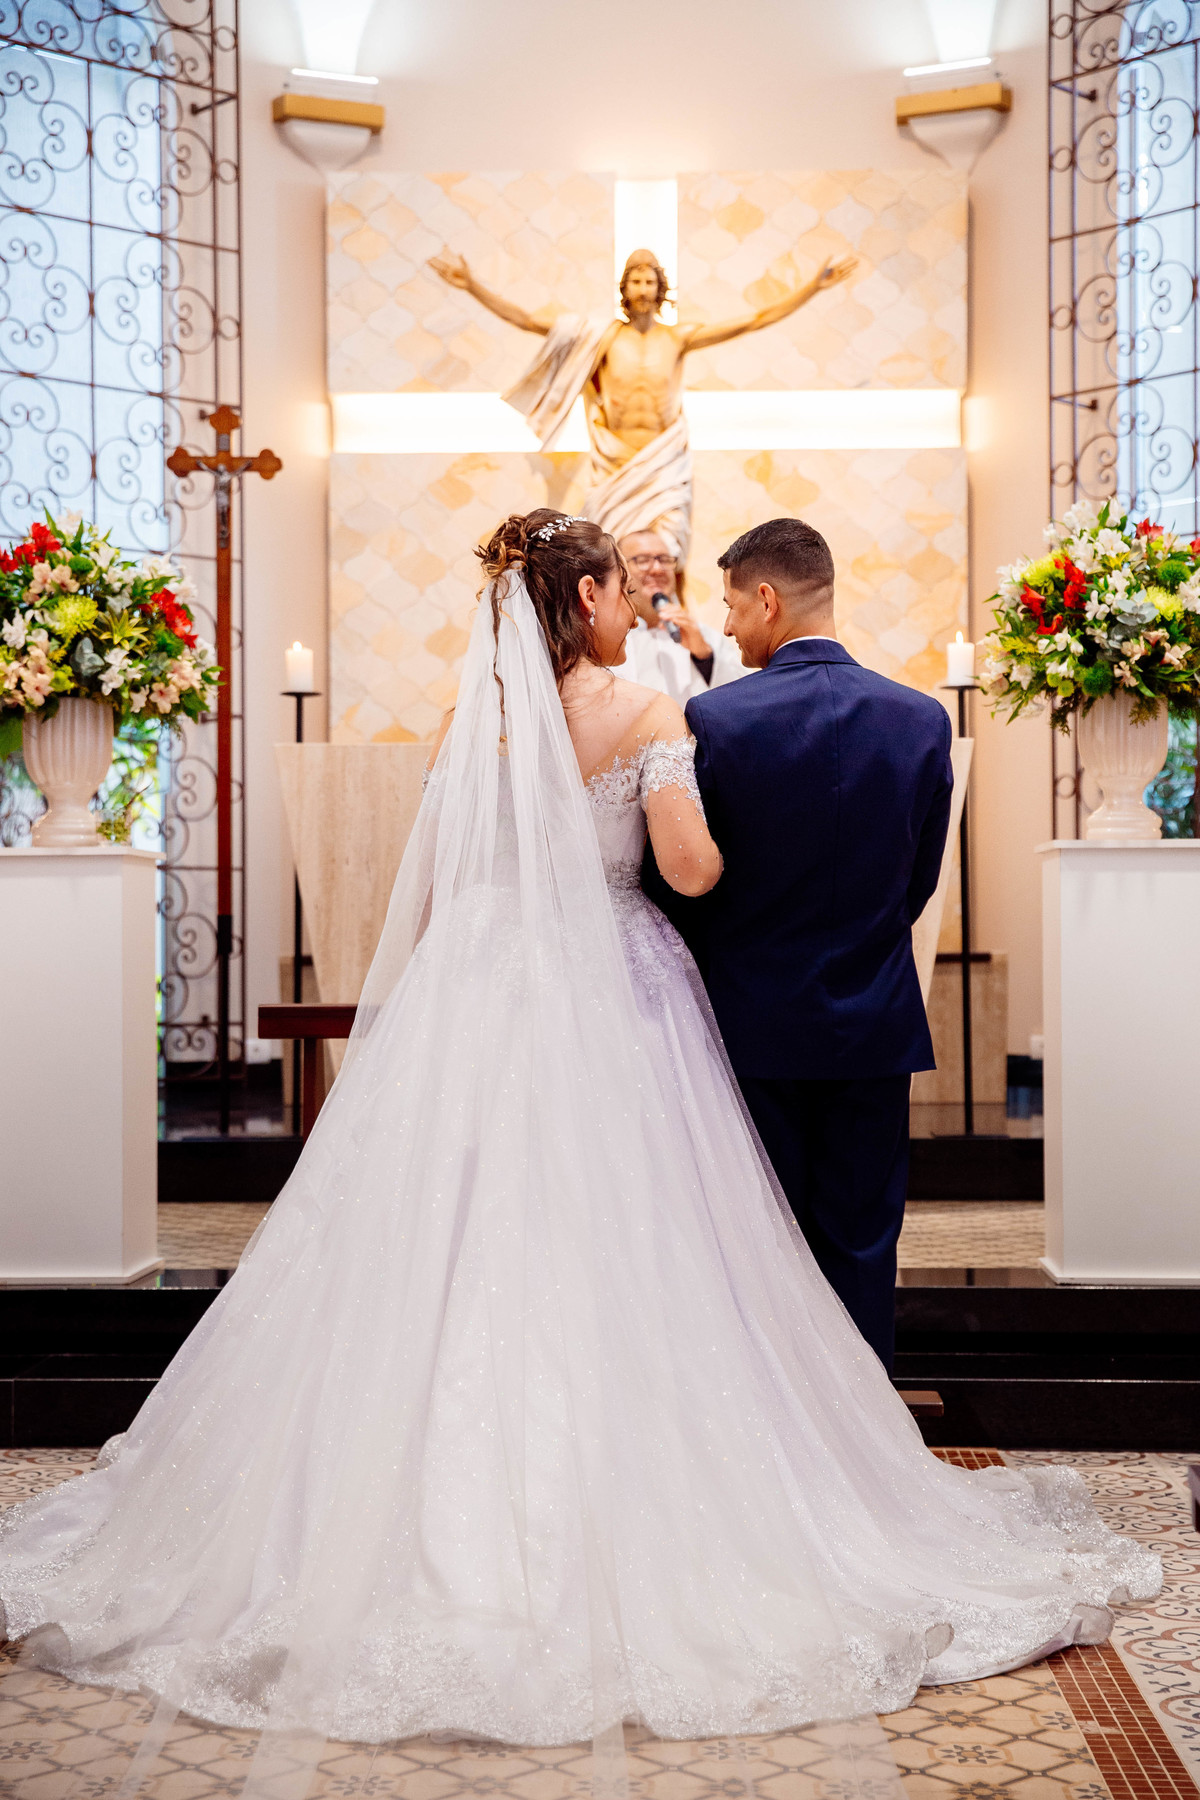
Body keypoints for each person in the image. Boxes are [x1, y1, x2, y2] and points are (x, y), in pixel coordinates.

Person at [0, 512, 1158, 1784]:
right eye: (620, 588)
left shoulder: (473, 720)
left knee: (452, 1233)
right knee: (645, 1234)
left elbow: (438, 883)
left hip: (472, 990)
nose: (635, 605)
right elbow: (692, 870)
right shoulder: (651, 715)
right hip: (611, 991)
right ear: (592, 592)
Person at [671, 517, 952, 1372]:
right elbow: (917, 882)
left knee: (758, 1241)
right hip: (874, 1025)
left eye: (731, 606)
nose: (726, 627)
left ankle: (776, 1422)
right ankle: (862, 1421)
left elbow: (688, 882)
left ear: (768, 598)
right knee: (862, 1239)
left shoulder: (716, 719)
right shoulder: (921, 719)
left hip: (751, 1024)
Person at [429, 245, 855, 564]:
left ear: (660, 287)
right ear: (624, 288)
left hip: (664, 465)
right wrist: (473, 286)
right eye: (635, 281)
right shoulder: (602, 337)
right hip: (614, 465)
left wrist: (813, 287)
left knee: (667, 557)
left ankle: (674, 635)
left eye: (649, 281)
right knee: (607, 559)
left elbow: (754, 321)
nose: (643, 289)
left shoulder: (678, 337)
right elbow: (527, 321)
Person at [616, 527, 744, 705]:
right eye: (643, 560)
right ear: (620, 571)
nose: (657, 569)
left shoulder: (705, 638)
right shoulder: (607, 639)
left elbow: (741, 698)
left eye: (664, 559)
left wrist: (705, 659)